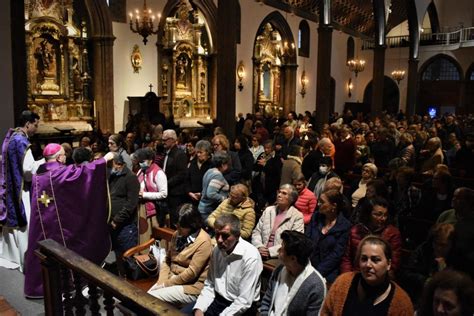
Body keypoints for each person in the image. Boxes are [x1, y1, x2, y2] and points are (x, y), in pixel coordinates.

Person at [24, 144, 115, 297]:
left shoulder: (38, 175)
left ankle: (40, 286)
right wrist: (103, 160)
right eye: (64, 155)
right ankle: (67, 284)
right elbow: (84, 174)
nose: (65, 157)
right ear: (59, 157)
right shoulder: (59, 173)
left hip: (43, 224)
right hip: (58, 226)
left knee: (45, 250)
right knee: (65, 249)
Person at [321, 236, 414, 315]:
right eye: (364, 259)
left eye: (375, 260)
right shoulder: (342, 284)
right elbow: (326, 312)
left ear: (388, 264)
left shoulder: (402, 303)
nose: (368, 265)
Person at [193, 214, 263, 316]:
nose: (220, 240)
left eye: (225, 236)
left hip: (242, 309)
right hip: (218, 300)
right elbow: (210, 284)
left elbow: (244, 301)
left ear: (237, 236)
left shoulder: (251, 257)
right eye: (217, 234)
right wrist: (199, 308)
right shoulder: (217, 250)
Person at [0, 110, 43, 272]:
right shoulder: (22, 141)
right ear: (28, 124)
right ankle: (27, 264)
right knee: (24, 225)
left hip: (10, 190)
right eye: (35, 125)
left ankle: (12, 257)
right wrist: (44, 162)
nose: (36, 129)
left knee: (12, 227)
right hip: (21, 192)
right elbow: (28, 172)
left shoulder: (10, 137)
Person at [148, 204, 212, 307]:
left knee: (151, 300)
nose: (177, 229)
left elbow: (191, 273)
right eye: (176, 225)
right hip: (171, 278)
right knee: (145, 298)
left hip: (190, 286)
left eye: (180, 226)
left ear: (192, 225)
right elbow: (167, 260)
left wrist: (166, 285)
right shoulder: (177, 234)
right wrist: (162, 281)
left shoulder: (203, 241)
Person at [260, 230, 327, 316]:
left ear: (293, 258)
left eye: (282, 248)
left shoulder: (315, 285)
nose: (278, 250)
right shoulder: (279, 270)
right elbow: (267, 301)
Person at [341, 196, 402, 277]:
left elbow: (393, 263)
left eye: (385, 215)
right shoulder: (355, 230)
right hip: (356, 274)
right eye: (378, 214)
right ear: (368, 214)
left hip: (379, 276)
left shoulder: (392, 233)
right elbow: (347, 258)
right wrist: (347, 277)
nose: (383, 218)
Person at [306, 189, 351, 283]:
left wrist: (316, 273)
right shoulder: (316, 217)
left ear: (333, 206)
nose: (318, 204)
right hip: (307, 264)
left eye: (322, 202)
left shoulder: (344, 226)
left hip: (328, 272)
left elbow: (336, 255)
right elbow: (306, 240)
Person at [252, 184, 304, 260]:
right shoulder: (268, 210)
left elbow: (293, 241)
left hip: (280, 256)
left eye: (284, 193)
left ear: (292, 198)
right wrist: (259, 246)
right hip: (259, 251)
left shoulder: (297, 216)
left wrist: (270, 252)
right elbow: (257, 232)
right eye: (279, 192)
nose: (279, 195)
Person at [108, 153, 140, 276]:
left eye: (110, 165)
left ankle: (133, 286)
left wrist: (117, 220)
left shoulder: (130, 177)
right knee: (117, 257)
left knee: (128, 258)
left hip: (125, 226)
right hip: (112, 225)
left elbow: (131, 204)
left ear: (118, 164)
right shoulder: (113, 176)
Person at [134, 148, 168, 242]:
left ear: (150, 160)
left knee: (156, 235)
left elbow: (164, 194)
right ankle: (144, 254)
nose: (141, 163)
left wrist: (144, 195)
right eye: (139, 161)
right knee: (144, 234)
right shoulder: (141, 171)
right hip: (142, 208)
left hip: (155, 209)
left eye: (143, 161)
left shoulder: (158, 173)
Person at [198, 152, 230, 221]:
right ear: (223, 164)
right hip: (209, 210)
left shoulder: (210, 170)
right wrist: (225, 199)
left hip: (203, 207)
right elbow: (211, 194)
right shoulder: (217, 175)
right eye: (227, 164)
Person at [185, 140, 213, 207]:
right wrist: (189, 192)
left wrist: (201, 194)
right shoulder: (193, 163)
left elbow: (211, 184)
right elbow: (187, 179)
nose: (198, 155)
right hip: (191, 198)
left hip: (206, 200)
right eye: (197, 152)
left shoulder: (211, 165)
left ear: (207, 152)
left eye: (201, 152)